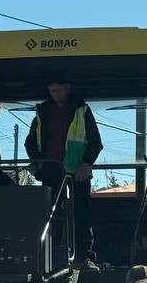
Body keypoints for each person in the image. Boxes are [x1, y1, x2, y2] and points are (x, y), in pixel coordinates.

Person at [23, 77, 104, 270]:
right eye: (51, 90)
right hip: (51, 170)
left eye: (59, 90)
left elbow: (96, 142)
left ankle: (84, 257)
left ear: (68, 88)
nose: (55, 94)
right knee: (50, 215)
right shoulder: (42, 112)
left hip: (76, 172)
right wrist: (39, 164)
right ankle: (51, 258)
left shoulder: (81, 110)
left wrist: (85, 164)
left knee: (80, 214)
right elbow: (30, 143)